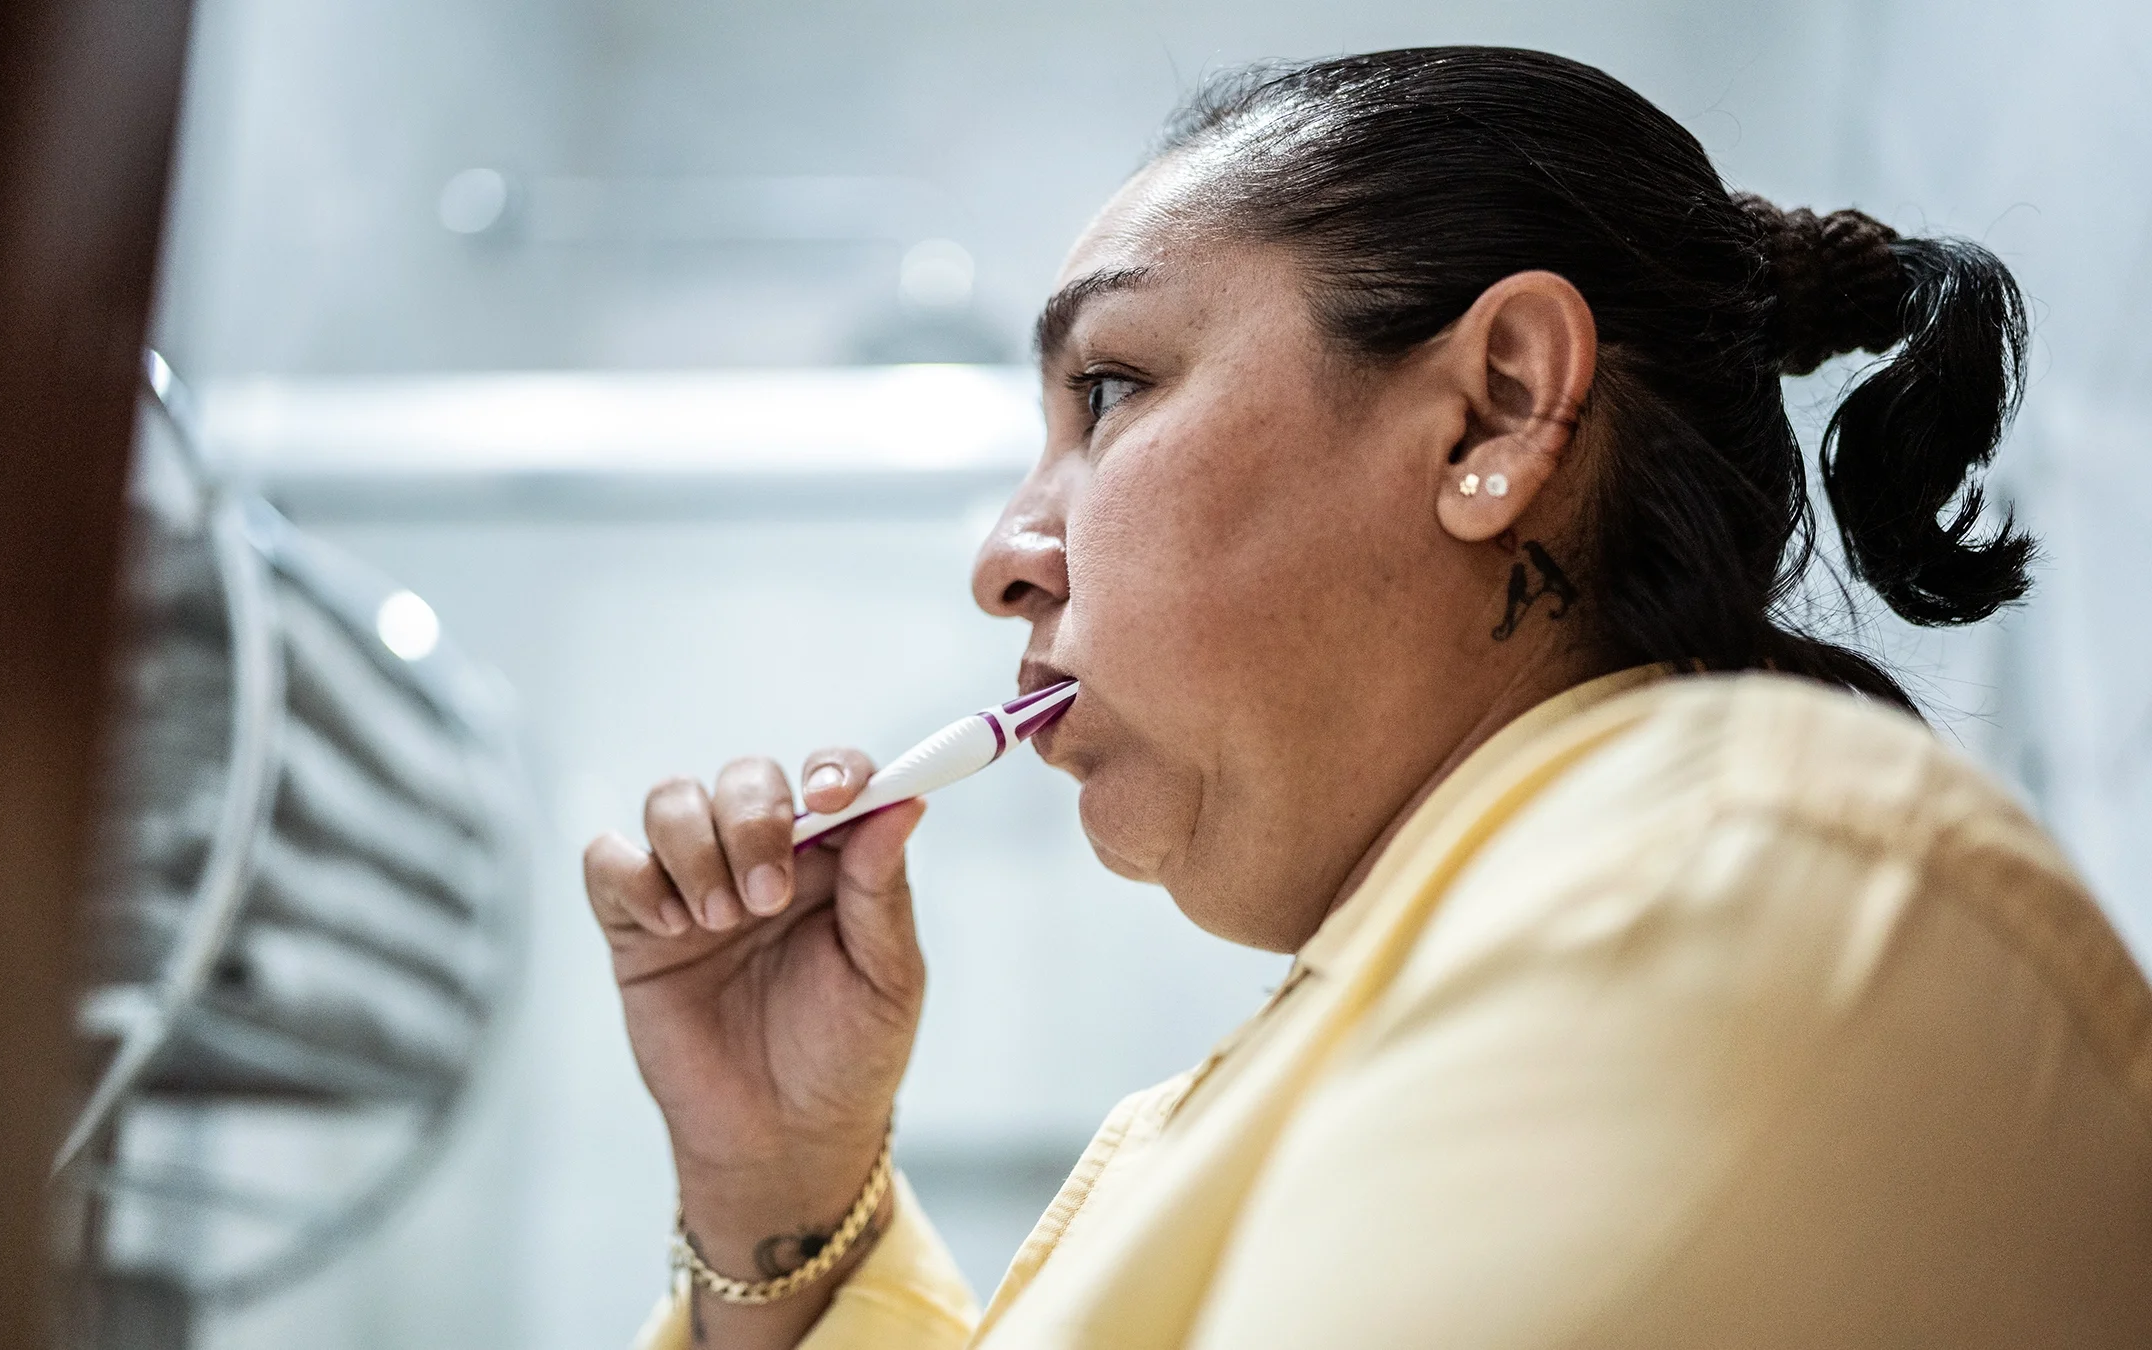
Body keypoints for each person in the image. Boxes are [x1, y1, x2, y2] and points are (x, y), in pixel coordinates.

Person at [584, 47, 2152, 1349]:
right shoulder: (1479, 967)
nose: (1006, 556)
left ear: (1500, 404)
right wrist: (781, 1193)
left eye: (1111, 391)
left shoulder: (1735, 892)